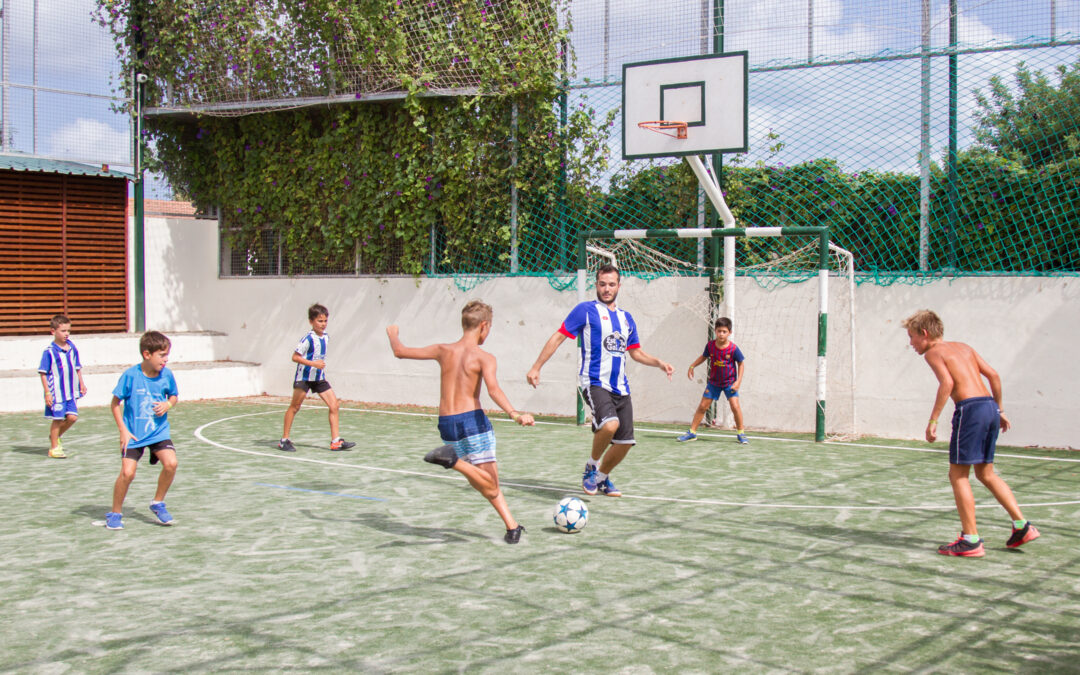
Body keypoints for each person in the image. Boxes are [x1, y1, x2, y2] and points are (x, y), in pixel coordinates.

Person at [387, 300, 535, 544]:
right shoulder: (484, 357)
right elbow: (494, 390)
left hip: (447, 424)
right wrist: (515, 414)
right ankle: (452, 461)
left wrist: (393, 334)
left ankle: (512, 526)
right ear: (484, 326)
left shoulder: (443, 350)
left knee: (483, 483)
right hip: (472, 423)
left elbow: (400, 351)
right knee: (490, 484)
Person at [527, 264, 674, 497]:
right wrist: (537, 367)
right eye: (602, 284)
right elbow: (558, 336)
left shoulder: (626, 319)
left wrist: (659, 363)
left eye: (611, 284)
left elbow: (635, 352)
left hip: (621, 387)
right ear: (596, 285)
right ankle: (591, 466)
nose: (607, 289)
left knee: (625, 442)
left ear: (619, 286)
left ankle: (602, 478)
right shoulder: (585, 310)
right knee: (610, 425)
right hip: (594, 381)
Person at [903, 309, 1039, 557]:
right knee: (986, 473)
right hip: (988, 406)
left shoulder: (933, 352)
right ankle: (1022, 526)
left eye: (911, 336)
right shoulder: (964, 347)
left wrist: (933, 420)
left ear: (924, 333)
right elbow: (994, 375)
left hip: (971, 410)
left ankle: (971, 540)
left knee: (958, 475)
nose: (910, 343)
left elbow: (948, 384)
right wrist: (999, 409)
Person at [106, 331, 180, 530]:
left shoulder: (167, 375)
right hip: (134, 434)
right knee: (127, 474)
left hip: (158, 432)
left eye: (167, 355)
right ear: (147, 354)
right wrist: (123, 430)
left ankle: (158, 503)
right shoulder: (130, 375)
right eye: (162, 355)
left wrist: (168, 405)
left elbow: (173, 396)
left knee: (171, 463)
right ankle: (115, 513)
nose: (166, 359)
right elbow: (115, 404)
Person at [279, 303, 355, 452]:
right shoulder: (308, 339)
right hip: (304, 377)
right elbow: (295, 357)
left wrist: (317, 366)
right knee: (295, 407)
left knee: (334, 405)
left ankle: (335, 441)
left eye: (325, 321)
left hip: (319, 377)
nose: (323, 324)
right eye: (320, 321)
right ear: (311, 321)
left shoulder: (326, 337)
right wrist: (312, 363)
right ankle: (284, 440)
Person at [677, 316, 748, 444]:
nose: (721, 334)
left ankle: (741, 433)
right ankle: (692, 433)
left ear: (729, 333)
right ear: (715, 331)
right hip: (714, 382)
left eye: (724, 331)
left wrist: (738, 382)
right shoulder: (710, 346)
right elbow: (703, 357)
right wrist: (692, 366)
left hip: (729, 383)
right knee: (703, 406)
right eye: (719, 331)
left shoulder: (733, 349)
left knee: (735, 406)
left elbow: (741, 363)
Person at [38, 314, 86, 458]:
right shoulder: (49, 352)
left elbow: (77, 367)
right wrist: (47, 392)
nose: (67, 334)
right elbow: (43, 373)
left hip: (71, 391)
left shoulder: (72, 347)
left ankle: (55, 436)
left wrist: (81, 383)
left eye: (68, 331)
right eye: (63, 331)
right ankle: (54, 448)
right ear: (53, 332)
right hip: (57, 393)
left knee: (72, 417)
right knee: (58, 419)